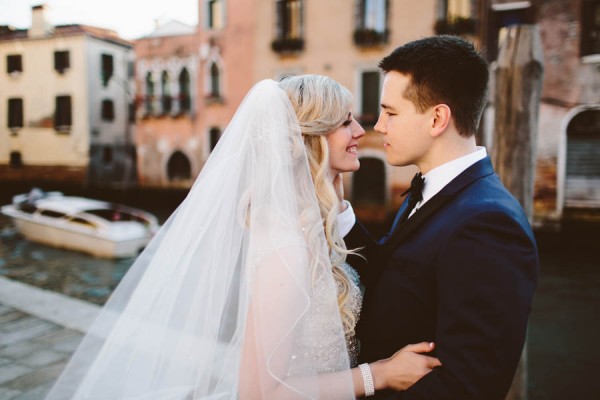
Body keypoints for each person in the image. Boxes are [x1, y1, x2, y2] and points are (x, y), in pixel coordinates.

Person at [45, 75, 440, 400]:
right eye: (344, 122)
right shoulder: (287, 246)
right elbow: (261, 391)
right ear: (310, 136)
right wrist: (379, 375)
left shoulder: (308, 225)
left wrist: (334, 203)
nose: (360, 130)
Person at [343, 36, 539, 399]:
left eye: (391, 112)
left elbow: (469, 384)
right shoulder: (431, 189)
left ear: (437, 118)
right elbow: (393, 270)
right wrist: (339, 212)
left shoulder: (489, 225)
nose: (380, 125)